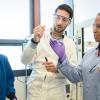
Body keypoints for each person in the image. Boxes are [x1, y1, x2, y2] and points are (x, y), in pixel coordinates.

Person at [21, 4, 78, 100]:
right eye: (57, 17)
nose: (59, 22)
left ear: (69, 22)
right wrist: (34, 41)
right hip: (35, 91)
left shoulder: (70, 44)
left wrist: (58, 69)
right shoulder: (40, 35)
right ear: (53, 17)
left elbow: (73, 73)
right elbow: (24, 61)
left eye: (64, 20)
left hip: (57, 93)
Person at [49, 12, 100, 100]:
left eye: (99, 27)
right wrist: (63, 59)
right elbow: (76, 76)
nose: (94, 30)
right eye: (94, 26)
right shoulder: (89, 54)